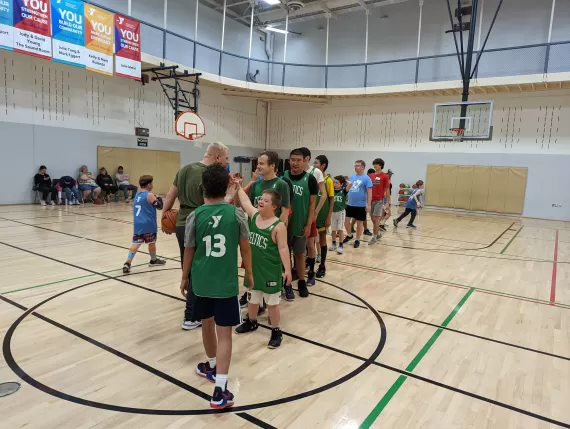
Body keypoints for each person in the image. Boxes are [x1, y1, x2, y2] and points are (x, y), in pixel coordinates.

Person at [180, 164, 252, 410]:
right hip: (226, 284)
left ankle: (211, 364)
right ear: (226, 188)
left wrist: (184, 276)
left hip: (201, 282)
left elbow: (189, 249)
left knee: (206, 324)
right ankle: (220, 387)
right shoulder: (237, 215)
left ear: (202, 188)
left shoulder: (194, 215)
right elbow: (245, 249)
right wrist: (249, 274)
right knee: (225, 334)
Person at [163, 142, 231, 331]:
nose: (227, 163)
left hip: (181, 224)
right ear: (217, 157)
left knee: (190, 267)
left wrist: (164, 216)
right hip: (200, 222)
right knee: (198, 271)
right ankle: (191, 315)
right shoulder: (208, 175)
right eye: (226, 158)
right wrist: (232, 196)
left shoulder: (185, 169)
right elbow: (210, 204)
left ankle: (197, 310)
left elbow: (170, 195)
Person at [233, 187, 292, 349]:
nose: (260, 201)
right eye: (261, 199)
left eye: (266, 200)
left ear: (274, 206)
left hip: (270, 271)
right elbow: (245, 201)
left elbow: (283, 248)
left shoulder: (279, 226)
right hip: (253, 269)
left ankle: (276, 330)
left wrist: (287, 269)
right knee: (252, 299)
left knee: (272, 304)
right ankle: (251, 322)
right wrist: (238, 187)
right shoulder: (255, 216)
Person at [238, 151, 291, 309]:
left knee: (272, 265)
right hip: (254, 232)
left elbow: (284, 211)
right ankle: (254, 298)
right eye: (257, 163)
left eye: (261, 163)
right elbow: (247, 205)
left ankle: (282, 287)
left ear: (272, 165)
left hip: (271, 234)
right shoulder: (256, 185)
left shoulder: (281, 184)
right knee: (252, 265)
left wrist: (275, 232)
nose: (257, 166)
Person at [284, 149, 318, 299]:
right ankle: (287, 284)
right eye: (292, 159)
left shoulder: (310, 179)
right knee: (283, 256)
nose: (295, 163)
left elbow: (312, 205)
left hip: (300, 223)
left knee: (299, 254)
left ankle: (302, 282)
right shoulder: (283, 177)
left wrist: (308, 224)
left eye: (298, 160)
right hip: (283, 224)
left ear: (305, 161)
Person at [122, 175, 167, 273]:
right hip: (148, 223)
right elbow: (160, 206)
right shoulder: (149, 195)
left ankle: (127, 262)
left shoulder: (137, 195)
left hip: (138, 224)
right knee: (152, 241)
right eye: (151, 183)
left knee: (136, 243)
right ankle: (153, 260)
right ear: (149, 184)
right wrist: (159, 198)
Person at [298, 147, 326, 286]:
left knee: (310, 243)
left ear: (306, 158)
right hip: (297, 214)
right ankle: (298, 269)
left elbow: (324, 194)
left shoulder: (316, 172)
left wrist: (315, 212)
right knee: (297, 245)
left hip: (309, 214)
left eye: (299, 159)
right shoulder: (293, 174)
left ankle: (311, 272)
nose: (296, 162)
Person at [343, 160, 372, 248]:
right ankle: (349, 235)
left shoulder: (366, 178)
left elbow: (369, 192)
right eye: (355, 165)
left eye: (358, 166)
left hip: (361, 205)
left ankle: (357, 240)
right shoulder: (351, 177)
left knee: (359, 223)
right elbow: (347, 189)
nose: (355, 167)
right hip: (350, 204)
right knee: (346, 221)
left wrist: (368, 204)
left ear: (363, 167)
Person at [313, 155, 334, 278]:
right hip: (311, 214)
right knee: (309, 240)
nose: (314, 165)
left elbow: (331, 200)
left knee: (322, 240)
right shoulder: (311, 178)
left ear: (323, 165)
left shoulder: (328, 181)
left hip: (322, 215)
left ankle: (322, 265)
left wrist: (328, 216)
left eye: (316, 163)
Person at [368, 158, 391, 245]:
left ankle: (374, 237)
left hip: (379, 200)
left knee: (376, 218)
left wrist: (387, 202)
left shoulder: (384, 176)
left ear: (380, 165)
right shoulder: (371, 176)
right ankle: (377, 233)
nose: (375, 165)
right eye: (374, 164)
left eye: (377, 164)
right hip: (371, 200)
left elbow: (387, 190)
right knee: (373, 219)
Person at [329, 176, 350, 255]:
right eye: (334, 182)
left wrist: (346, 180)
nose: (335, 184)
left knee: (340, 229)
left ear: (341, 184)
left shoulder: (344, 191)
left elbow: (350, 185)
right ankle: (334, 243)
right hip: (333, 212)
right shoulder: (332, 191)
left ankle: (340, 245)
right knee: (333, 229)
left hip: (341, 212)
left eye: (337, 183)